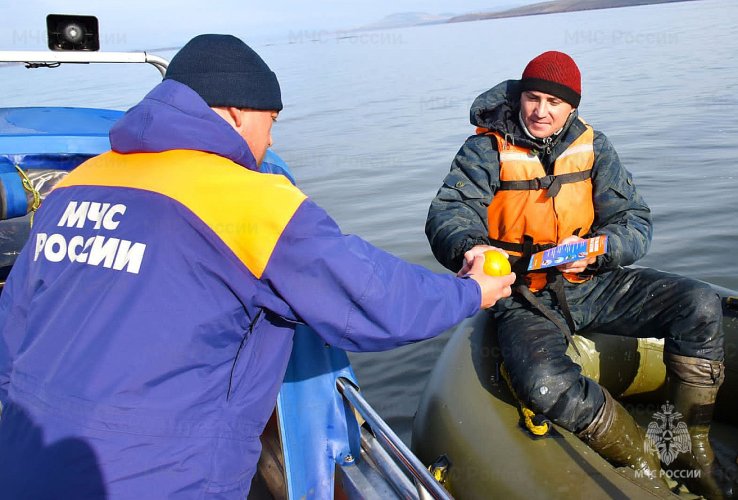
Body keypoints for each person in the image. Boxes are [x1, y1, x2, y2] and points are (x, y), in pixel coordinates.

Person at [0, 34, 515, 498]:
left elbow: (11, 332)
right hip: (160, 474)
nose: (270, 142)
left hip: (25, 457)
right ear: (235, 113)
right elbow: (374, 298)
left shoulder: (74, 187)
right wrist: (471, 290)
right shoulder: (247, 200)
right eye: (271, 123)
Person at [426, 50, 733, 498]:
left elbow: (634, 220)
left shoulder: (595, 146)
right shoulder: (483, 150)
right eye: (533, 98)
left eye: (555, 103)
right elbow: (449, 213)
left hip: (591, 280)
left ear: (572, 107)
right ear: (519, 98)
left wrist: (601, 250)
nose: (542, 111)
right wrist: (471, 246)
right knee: (544, 383)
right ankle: (638, 458)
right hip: (524, 295)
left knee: (701, 305)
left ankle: (691, 449)